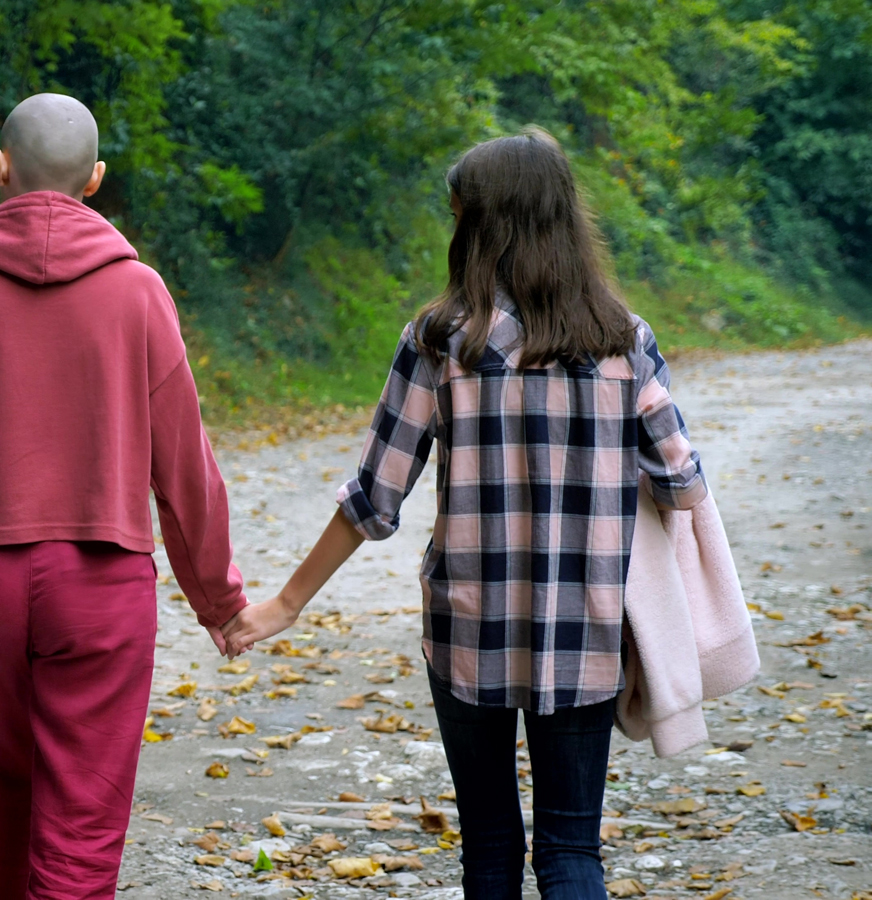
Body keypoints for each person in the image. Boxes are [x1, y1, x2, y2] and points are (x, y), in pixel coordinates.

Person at [220, 128, 708, 900]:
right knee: (572, 851)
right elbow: (681, 481)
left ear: (479, 226)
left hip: (467, 631)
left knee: (487, 848)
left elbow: (374, 498)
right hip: (585, 628)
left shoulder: (440, 343)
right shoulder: (623, 340)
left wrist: (284, 603)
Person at [0, 92, 247, 898]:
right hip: (102, 586)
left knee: (12, 783)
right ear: (96, 179)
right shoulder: (140, 292)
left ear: (0, 167)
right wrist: (217, 598)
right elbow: (185, 466)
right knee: (80, 817)